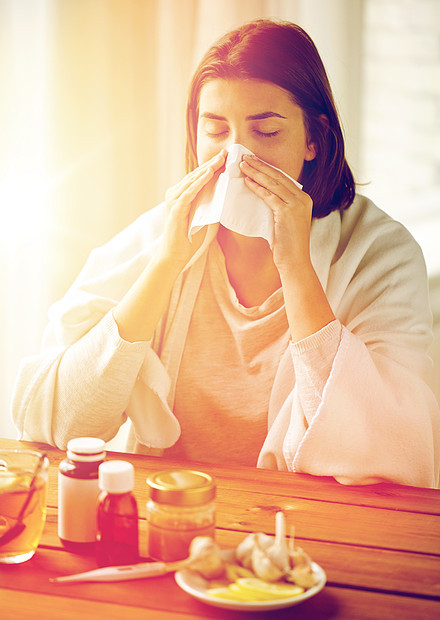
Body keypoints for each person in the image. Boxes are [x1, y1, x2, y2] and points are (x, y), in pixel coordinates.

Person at [12, 19, 439, 487]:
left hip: (306, 529)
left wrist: (295, 267)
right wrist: (165, 265)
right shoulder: (161, 234)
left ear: (314, 138)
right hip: (172, 514)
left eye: (267, 132)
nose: (238, 158)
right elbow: (53, 419)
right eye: (216, 130)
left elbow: (388, 446)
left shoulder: (381, 253)